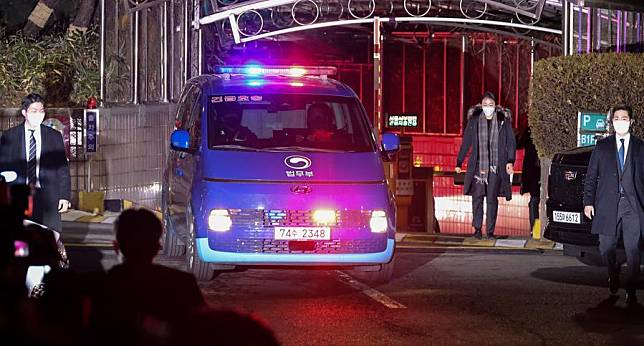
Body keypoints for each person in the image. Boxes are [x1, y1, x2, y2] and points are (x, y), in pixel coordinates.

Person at [90, 208, 205, 345]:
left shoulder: (100, 287)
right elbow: (203, 331)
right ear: (157, 247)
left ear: (116, 246)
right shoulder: (183, 284)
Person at [583, 104, 643, 306]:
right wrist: (588, 202)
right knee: (606, 246)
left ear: (631, 122)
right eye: (617, 118)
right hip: (608, 204)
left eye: (624, 118)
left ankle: (632, 287)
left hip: (632, 204)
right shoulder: (603, 147)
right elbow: (591, 177)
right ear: (612, 122)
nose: (620, 121)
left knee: (633, 248)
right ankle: (613, 272)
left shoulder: (640, 147)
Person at [0, 93, 71, 232]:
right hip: (19, 197)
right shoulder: (9, 136)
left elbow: (62, 168)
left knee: (49, 241)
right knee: (19, 240)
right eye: (34, 111)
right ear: (24, 113)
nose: (39, 114)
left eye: (41, 111)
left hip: (48, 197)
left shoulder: (54, 136)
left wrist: (64, 196)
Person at [456, 92, 516, 240]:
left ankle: (490, 230)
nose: (488, 107)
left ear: (495, 106)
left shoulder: (503, 121)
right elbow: (466, 143)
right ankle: (477, 229)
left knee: (491, 198)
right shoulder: (474, 121)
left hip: (496, 167)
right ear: (481, 106)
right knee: (477, 197)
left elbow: (511, 143)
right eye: (485, 105)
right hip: (478, 166)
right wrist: (459, 162)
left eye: (490, 105)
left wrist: (510, 161)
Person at [518, 127, 541, 236]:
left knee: (534, 202)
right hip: (535, 172)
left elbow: (519, 145)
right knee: (535, 201)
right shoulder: (530, 130)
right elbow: (519, 144)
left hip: (534, 171)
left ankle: (536, 230)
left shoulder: (530, 130)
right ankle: (536, 230)